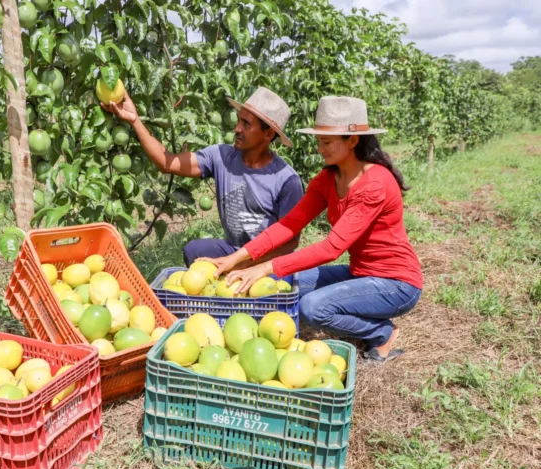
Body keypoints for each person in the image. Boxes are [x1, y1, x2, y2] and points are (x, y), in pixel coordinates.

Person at [201, 96, 423, 362]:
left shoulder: (374, 184)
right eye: (319, 141)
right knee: (279, 284)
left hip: (396, 283)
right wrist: (237, 258)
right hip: (360, 273)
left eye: (326, 142)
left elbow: (332, 248)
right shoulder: (328, 179)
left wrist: (264, 266)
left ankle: (381, 332)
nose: (320, 149)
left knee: (311, 307)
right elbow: (289, 224)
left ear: (352, 141)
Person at [101, 87, 304, 271]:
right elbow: (167, 163)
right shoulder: (221, 157)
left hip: (265, 260)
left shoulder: (286, 180)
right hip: (232, 249)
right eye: (238, 120)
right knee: (194, 251)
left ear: (268, 134)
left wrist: (242, 265)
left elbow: (289, 243)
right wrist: (135, 120)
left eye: (246, 124)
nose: (237, 129)